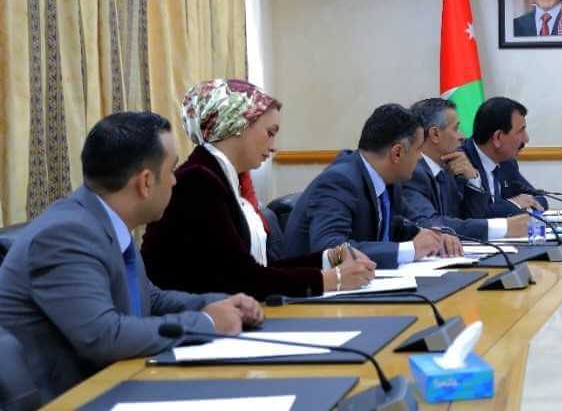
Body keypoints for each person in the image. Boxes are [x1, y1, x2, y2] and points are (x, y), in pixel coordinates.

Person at [0, 112, 262, 403]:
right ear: (146, 182)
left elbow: (151, 300)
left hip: (120, 384)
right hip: (71, 400)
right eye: (172, 170)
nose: (175, 181)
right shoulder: (65, 235)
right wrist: (207, 322)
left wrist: (219, 303)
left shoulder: (105, 222)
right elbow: (104, 336)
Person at [142, 79, 376, 300]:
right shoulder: (198, 181)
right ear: (238, 125)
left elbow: (259, 269)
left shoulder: (221, 177)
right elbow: (242, 279)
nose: (274, 147)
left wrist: (331, 258)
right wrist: (332, 280)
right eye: (270, 133)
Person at [281, 104, 461, 269]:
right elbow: (330, 251)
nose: (420, 158)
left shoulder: (389, 181)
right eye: (418, 150)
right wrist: (409, 250)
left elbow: (410, 220)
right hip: (311, 288)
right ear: (397, 153)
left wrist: (435, 235)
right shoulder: (339, 182)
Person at [403, 98, 531, 241]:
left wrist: (473, 180)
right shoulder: (412, 173)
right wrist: (503, 226)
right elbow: (431, 224)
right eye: (456, 129)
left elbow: (469, 218)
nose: (462, 136)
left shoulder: (447, 170)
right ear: (435, 134)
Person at [460, 97, 549, 218]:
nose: (526, 139)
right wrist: (513, 204)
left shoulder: (506, 162)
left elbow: (538, 199)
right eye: (521, 131)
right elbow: (473, 216)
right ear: (497, 137)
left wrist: (514, 204)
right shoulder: (461, 163)